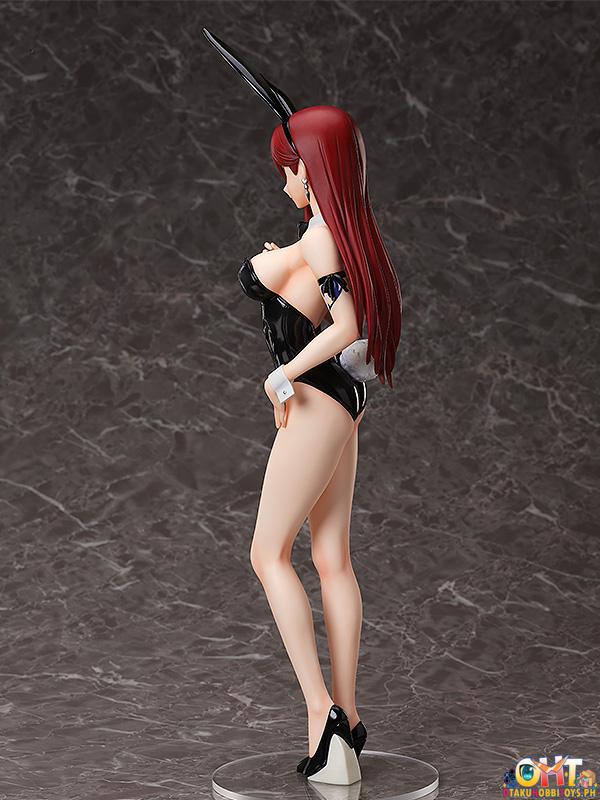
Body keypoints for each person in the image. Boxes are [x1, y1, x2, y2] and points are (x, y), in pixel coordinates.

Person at [204, 29, 402, 786]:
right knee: (331, 559)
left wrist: (281, 375)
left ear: (307, 169)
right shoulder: (338, 234)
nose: (283, 180)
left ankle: (324, 718)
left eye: (287, 168)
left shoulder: (321, 239)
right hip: (341, 404)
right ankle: (348, 720)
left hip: (316, 403)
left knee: (268, 554)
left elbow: (345, 326)